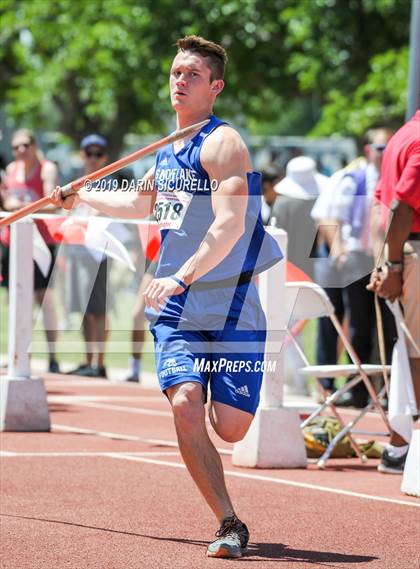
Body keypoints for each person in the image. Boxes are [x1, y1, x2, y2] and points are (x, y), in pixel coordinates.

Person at [51, 35, 282, 558]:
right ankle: (229, 522)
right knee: (184, 403)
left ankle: (231, 419)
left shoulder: (224, 145)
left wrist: (184, 274)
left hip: (230, 301)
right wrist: (80, 194)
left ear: (215, 87)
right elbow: (142, 202)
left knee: (231, 427)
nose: (179, 81)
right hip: (177, 307)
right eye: (176, 72)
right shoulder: (169, 149)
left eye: (192, 75)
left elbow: (229, 225)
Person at [311, 130, 397, 404]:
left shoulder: (395, 179)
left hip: (384, 258)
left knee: (384, 324)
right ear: (368, 149)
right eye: (381, 147)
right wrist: (338, 249)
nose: (386, 153)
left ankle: (382, 388)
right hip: (353, 257)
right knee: (354, 323)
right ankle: (354, 388)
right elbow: (326, 216)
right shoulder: (348, 178)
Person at [368, 110, 420, 474]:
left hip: (402, 252)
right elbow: (402, 205)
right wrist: (394, 265)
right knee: (416, 350)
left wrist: (383, 262)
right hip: (412, 251)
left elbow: (380, 205)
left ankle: (402, 444)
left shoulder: (403, 134)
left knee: (409, 349)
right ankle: (411, 441)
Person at [0, 128, 60, 373]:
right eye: (16, 147)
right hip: (12, 242)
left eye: (25, 145)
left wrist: (21, 207)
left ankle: (53, 357)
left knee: (44, 300)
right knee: (16, 299)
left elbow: (53, 203)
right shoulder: (11, 171)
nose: (21, 151)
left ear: (34, 145)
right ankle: (18, 352)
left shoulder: (47, 169)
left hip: (41, 242)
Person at [66, 134, 111, 378]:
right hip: (78, 250)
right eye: (88, 153)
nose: (93, 159)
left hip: (99, 252)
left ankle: (99, 363)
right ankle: (88, 360)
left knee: (98, 309)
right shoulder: (78, 181)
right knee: (84, 308)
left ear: (104, 157)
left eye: (98, 154)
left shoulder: (109, 183)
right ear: (82, 155)